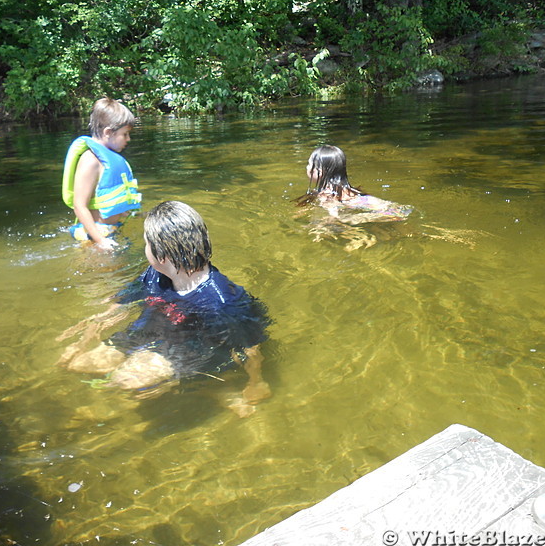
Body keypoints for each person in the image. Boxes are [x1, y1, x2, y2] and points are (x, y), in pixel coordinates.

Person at [56, 201, 271, 414]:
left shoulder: (221, 302)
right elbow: (119, 303)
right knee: (76, 364)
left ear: (162, 255)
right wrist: (87, 334)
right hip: (147, 329)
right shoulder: (154, 274)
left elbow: (250, 348)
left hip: (187, 346)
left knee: (125, 382)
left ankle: (217, 389)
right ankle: (193, 385)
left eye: (146, 244)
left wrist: (256, 382)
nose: (145, 250)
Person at [61, 97, 142, 250]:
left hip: (110, 231)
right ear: (108, 132)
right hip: (95, 236)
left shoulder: (108, 158)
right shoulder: (90, 161)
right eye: (125, 134)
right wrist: (100, 240)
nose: (128, 139)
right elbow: (79, 206)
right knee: (105, 273)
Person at [296, 145, 413, 248]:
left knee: (346, 219)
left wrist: (318, 230)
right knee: (395, 210)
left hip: (353, 206)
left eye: (309, 164)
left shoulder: (326, 196)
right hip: (363, 200)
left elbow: (333, 218)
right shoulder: (351, 190)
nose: (307, 167)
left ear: (319, 171)